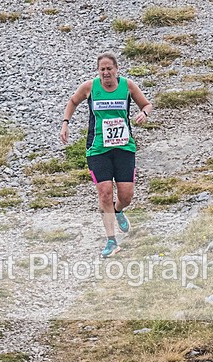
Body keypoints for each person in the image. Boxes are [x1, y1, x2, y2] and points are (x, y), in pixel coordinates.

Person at [60, 51, 153, 258]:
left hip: (123, 148)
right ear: (98, 71)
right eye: (102, 69)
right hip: (98, 149)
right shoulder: (90, 87)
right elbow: (73, 101)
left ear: (116, 69)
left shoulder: (127, 86)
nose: (106, 73)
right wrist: (65, 123)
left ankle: (118, 210)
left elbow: (147, 104)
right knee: (104, 193)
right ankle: (111, 240)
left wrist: (144, 113)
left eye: (109, 68)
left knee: (126, 195)